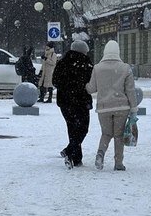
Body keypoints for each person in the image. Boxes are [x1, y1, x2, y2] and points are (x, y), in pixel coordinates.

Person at [86, 40, 137, 171]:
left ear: (105, 52)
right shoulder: (125, 68)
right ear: (118, 52)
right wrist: (134, 108)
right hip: (122, 107)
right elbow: (130, 90)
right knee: (119, 136)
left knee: (106, 133)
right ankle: (118, 163)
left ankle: (100, 153)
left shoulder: (97, 68)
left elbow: (91, 89)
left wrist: (84, 84)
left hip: (104, 108)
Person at [52, 40, 94, 168]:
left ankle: (75, 156)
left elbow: (55, 81)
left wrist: (66, 88)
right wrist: (79, 88)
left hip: (65, 102)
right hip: (81, 101)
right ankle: (71, 153)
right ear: (82, 51)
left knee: (72, 129)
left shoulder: (62, 63)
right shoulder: (86, 63)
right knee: (83, 128)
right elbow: (91, 82)